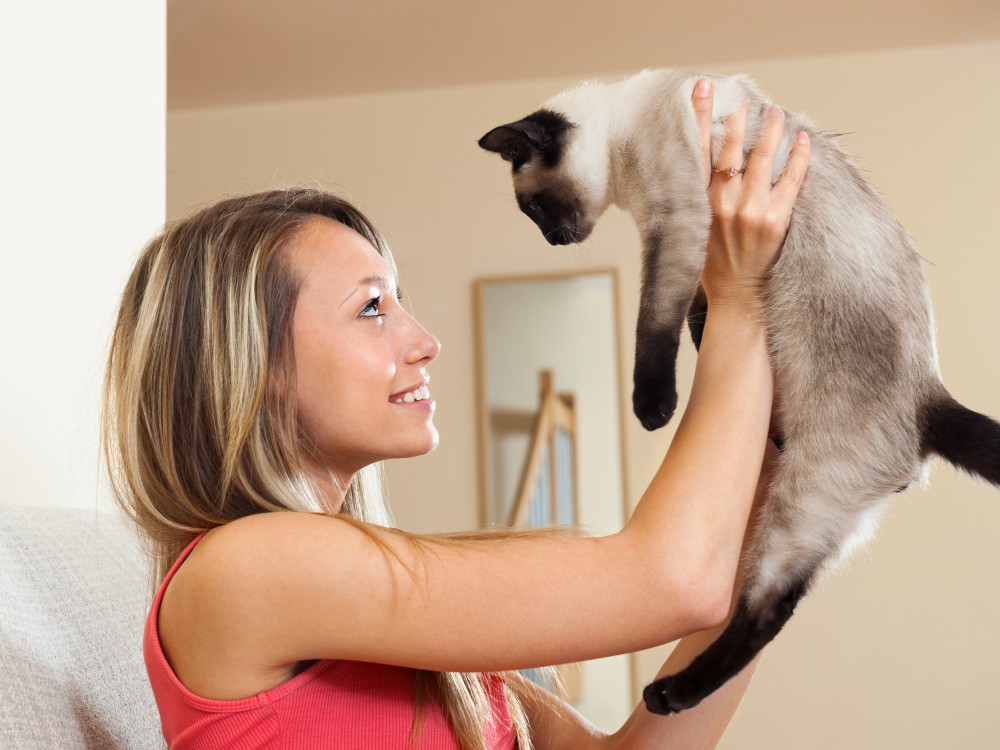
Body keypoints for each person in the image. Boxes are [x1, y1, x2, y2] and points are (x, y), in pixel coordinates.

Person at [102, 79, 810, 749]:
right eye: (373, 308)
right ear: (253, 366)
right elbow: (673, 582)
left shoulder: (403, 631)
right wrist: (738, 298)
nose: (425, 342)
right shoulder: (244, 569)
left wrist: (772, 475)